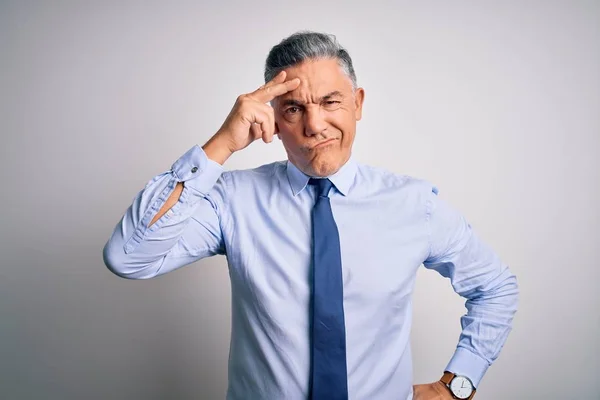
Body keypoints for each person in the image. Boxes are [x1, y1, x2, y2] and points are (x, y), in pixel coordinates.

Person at [103, 31, 519, 400]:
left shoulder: (413, 204)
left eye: (330, 102)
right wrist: (220, 146)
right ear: (273, 120)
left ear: (357, 104)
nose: (315, 124)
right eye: (294, 109)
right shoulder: (232, 199)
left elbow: (495, 287)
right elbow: (128, 257)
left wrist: (457, 383)